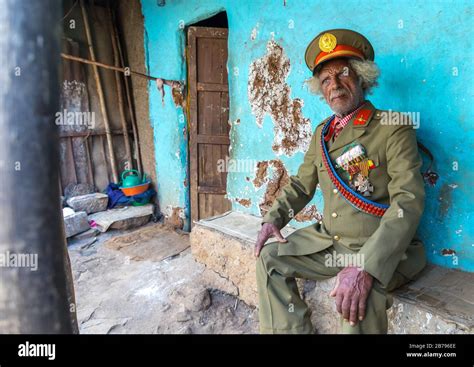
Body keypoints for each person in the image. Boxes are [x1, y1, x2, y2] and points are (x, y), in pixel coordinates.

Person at [255, 29, 426, 334]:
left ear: (361, 78)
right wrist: (274, 218)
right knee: (270, 259)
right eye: (325, 80)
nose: (334, 86)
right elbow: (301, 184)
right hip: (331, 243)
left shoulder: (393, 127)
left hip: (380, 247)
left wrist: (365, 265)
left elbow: (408, 202)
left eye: (343, 74)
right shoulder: (323, 132)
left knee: (359, 294)